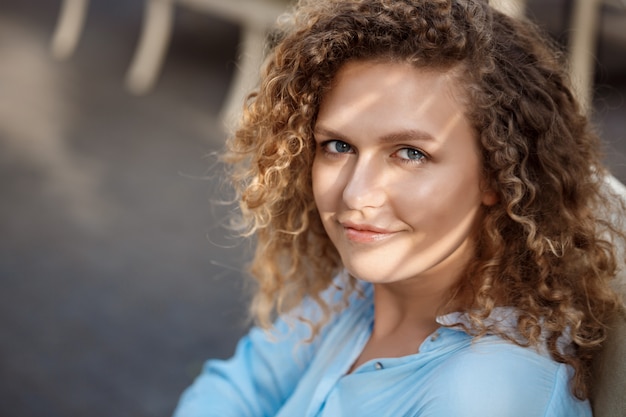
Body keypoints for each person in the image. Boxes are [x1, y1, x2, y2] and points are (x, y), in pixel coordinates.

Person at [173, 0, 625, 415]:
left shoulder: (483, 396)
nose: (355, 195)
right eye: (338, 145)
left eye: (410, 153)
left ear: (497, 175)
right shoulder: (363, 289)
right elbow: (239, 387)